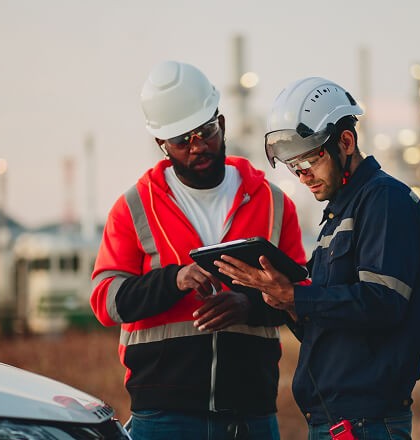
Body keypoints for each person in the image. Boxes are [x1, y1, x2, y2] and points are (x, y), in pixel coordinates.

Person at [89, 60, 307, 440]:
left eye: (206, 132)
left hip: (250, 414)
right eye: (181, 140)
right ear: (162, 145)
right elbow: (105, 301)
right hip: (163, 417)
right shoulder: (135, 207)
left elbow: (301, 298)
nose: (198, 147)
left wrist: (248, 306)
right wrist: (174, 280)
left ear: (221, 124)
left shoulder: (272, 204)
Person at [214, 77, 420, 440]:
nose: (303, 177)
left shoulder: (385, 202)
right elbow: (327, 323)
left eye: (308, 161)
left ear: (345, 142)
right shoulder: (335, 218)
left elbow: (383, 304)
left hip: (368, 423)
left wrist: (296, 296)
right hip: (335, 421)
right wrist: (282, 300)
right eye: (293, 167)